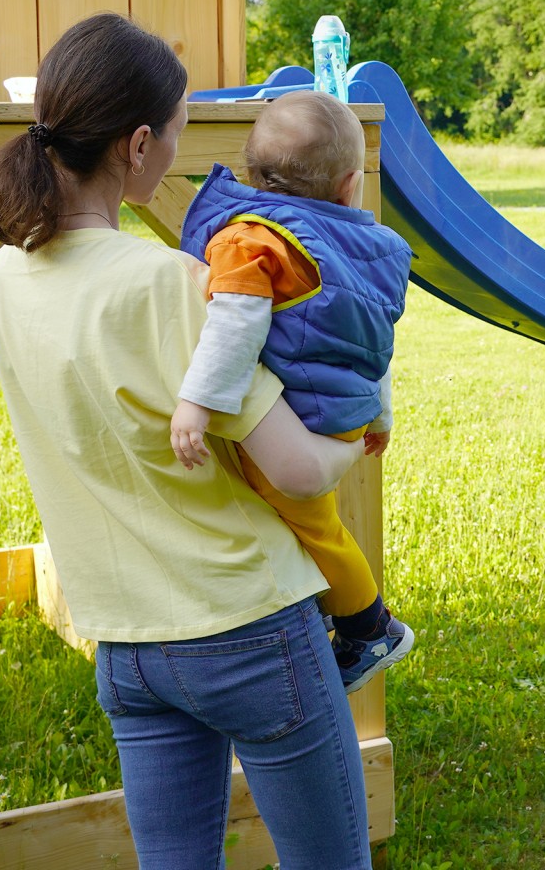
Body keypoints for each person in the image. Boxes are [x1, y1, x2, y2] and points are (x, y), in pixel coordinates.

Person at [0, 13, 374, 869]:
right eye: (184, 127)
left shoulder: (1, 276)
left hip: (126, 646)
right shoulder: (173, 285)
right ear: (140, 144)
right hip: (251, 631)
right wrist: (367, 427)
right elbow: (300, 471)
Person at [168, 91, 415, 693]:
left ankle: (371, 627)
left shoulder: (252, 241)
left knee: (316, 528)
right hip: (341, 411)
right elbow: (373, 341)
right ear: (350, 185)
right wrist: (380, 414)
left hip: (304, 418)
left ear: (252, 173)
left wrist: (195, 404)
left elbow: (235, 324)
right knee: (307, 522)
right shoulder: (371, 249)